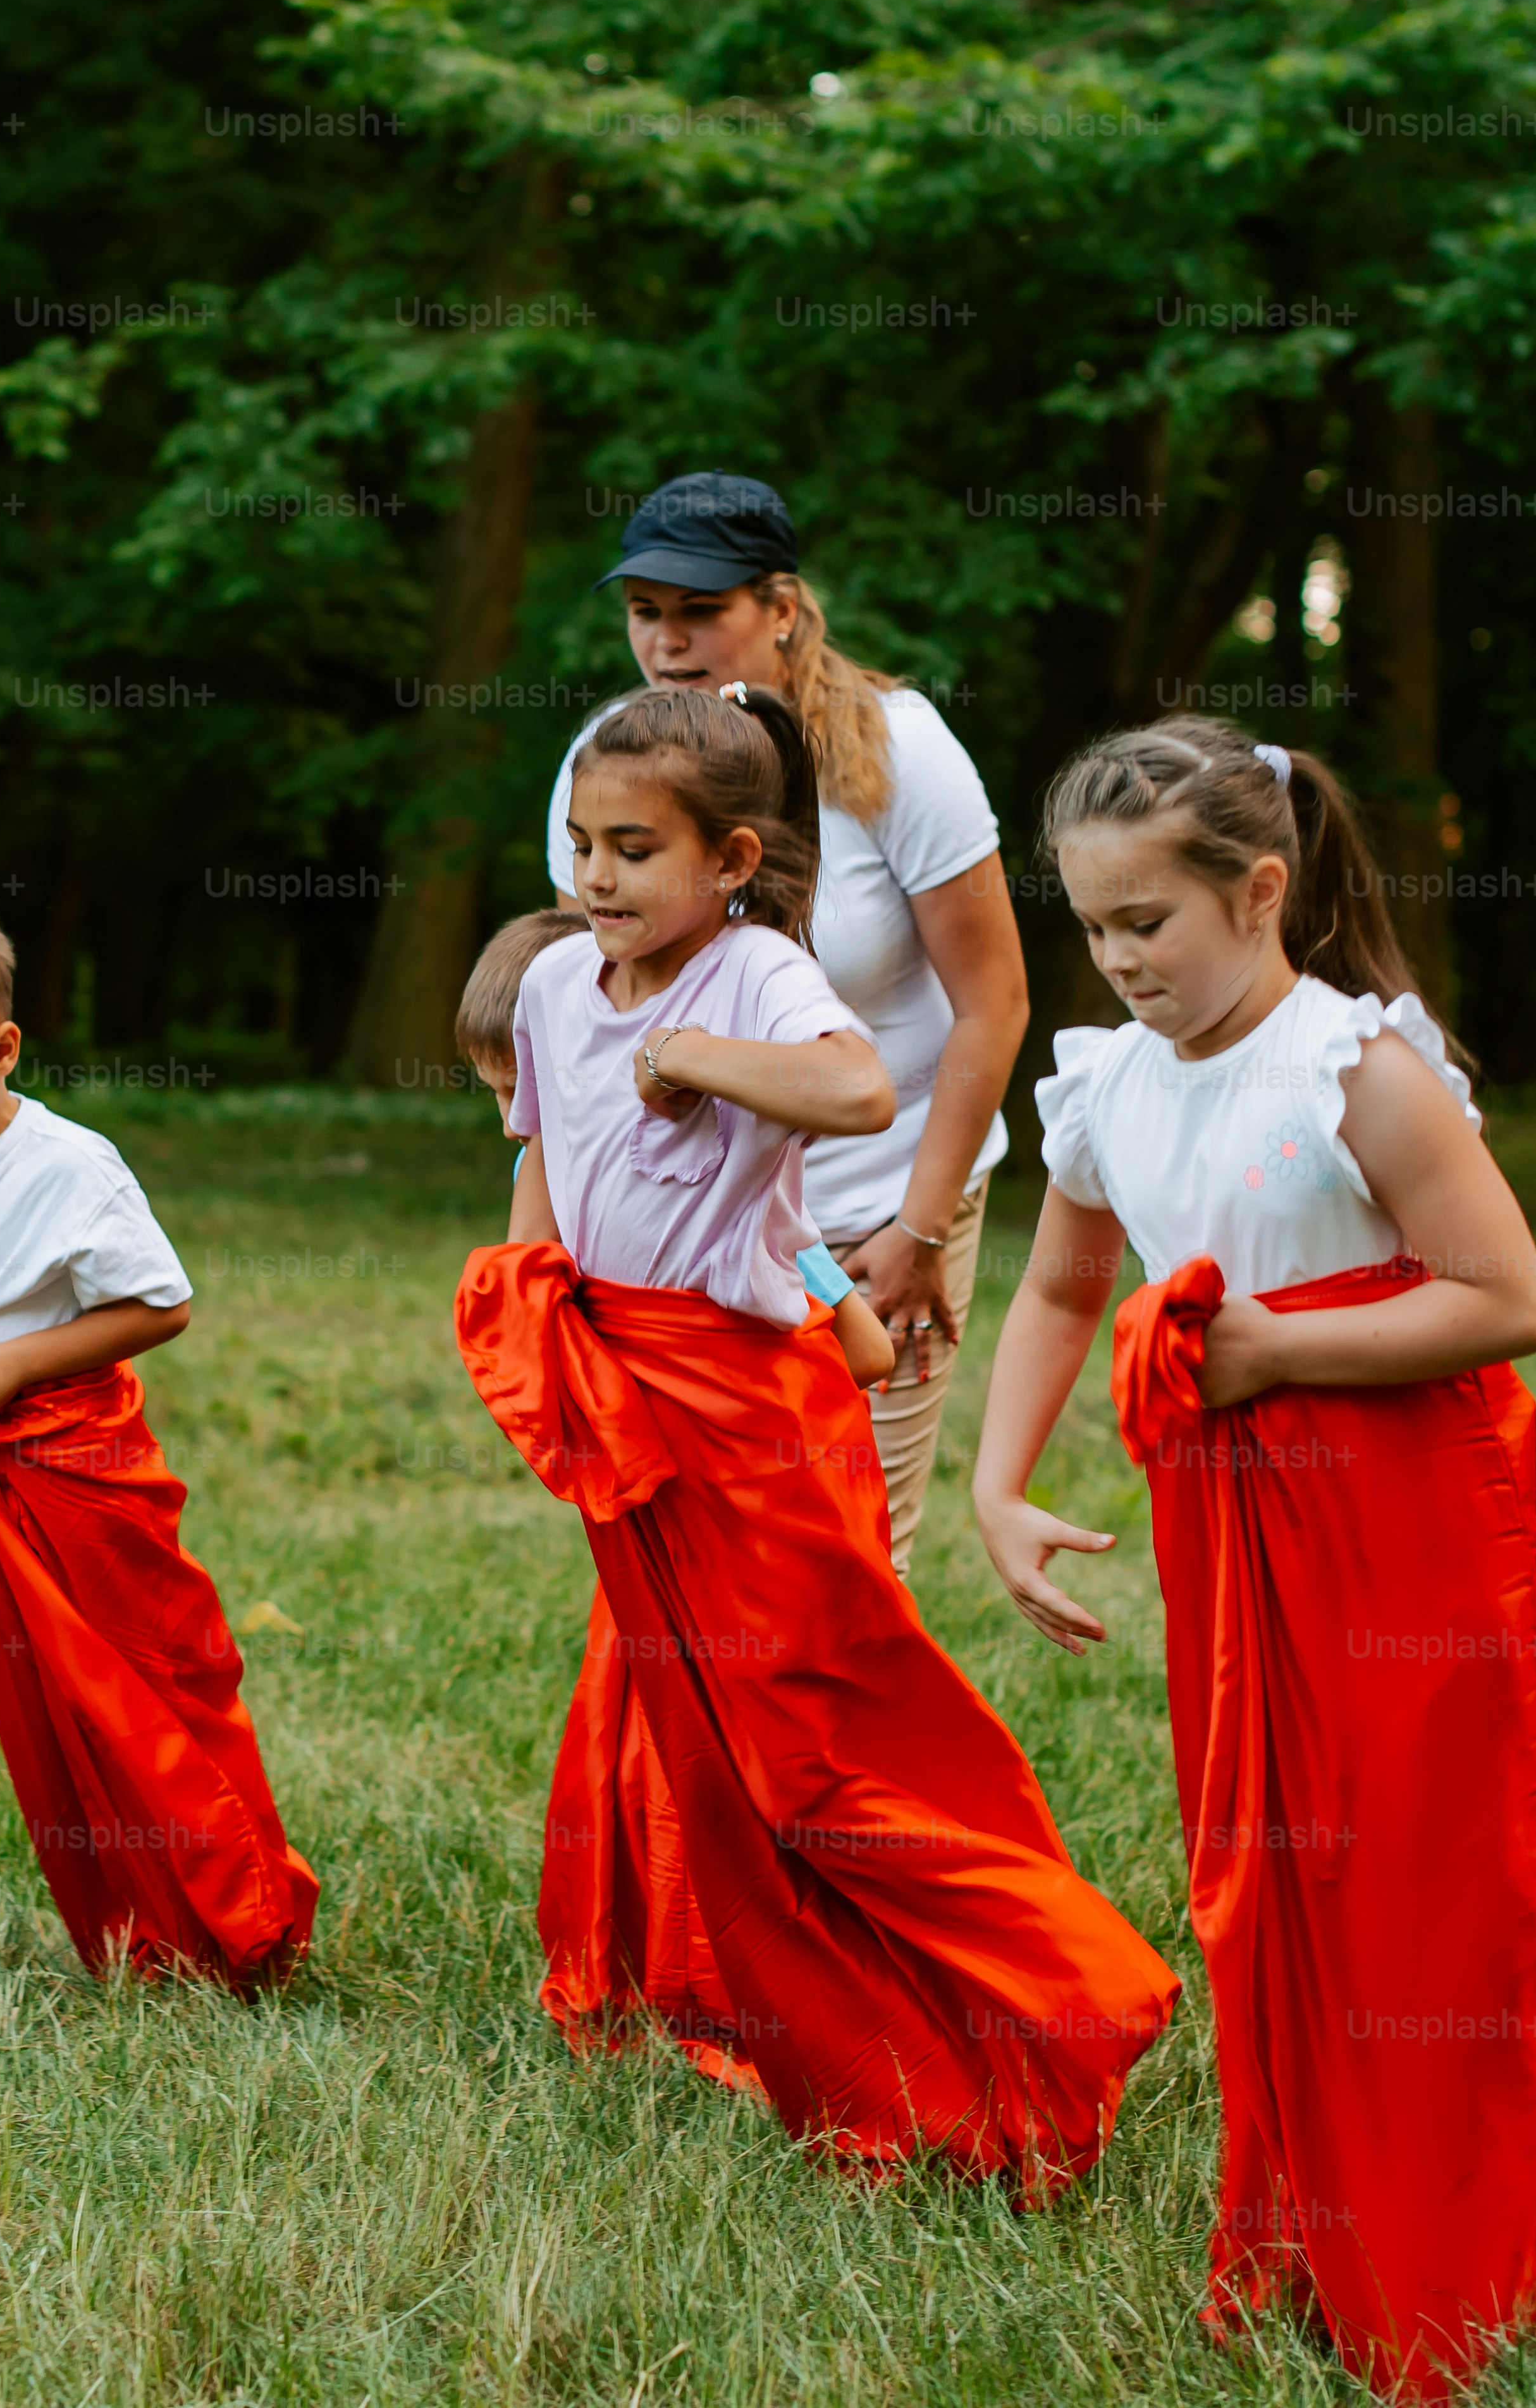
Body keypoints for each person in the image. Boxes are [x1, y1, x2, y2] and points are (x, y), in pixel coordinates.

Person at [965, 722, 1536, 2397]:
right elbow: (1058, 1289)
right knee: (1266, 1871)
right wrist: (999, 1486)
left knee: (1420, 1876)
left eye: (1152, 926)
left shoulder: (1357, 1068)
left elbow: (1506, 1299)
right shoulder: (1107, 1083)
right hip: (1229, 1523)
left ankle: (1468, 2245)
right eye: (1097, 929)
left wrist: (1273, 1354)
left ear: (1262, 892)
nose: (1121, 963)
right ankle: (1304, 2213)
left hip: (1400, 1517)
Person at [460, 684, 1177, 2184]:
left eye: (634, 850)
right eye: (584, 846)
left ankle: (1056, 1989)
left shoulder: (754, 976)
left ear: (727, 858)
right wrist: (526, 1321)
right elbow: (545, 1168)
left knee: (809, 1737)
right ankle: (735, 1985)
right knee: (677, 1720)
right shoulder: (547, 986)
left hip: (748, 1409)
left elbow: (856, 1090)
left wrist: (694, 1057)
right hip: (618, 1384)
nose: (597, 878)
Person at [0, 902, 317, 1990]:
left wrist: (13, 1366)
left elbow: (161, 1304)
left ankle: (239, 1918)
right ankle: (126, 1929)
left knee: (149, 1680)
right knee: (48, 1704)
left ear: (1, 1049)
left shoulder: (68, 1167)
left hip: (79, 1464)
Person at [550, 472, 1027, 1575]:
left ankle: (857, 1753)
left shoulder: (898, 750)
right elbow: (596, 1018)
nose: (667, 642)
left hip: (882, 1211)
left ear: (781, 606)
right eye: (643, 612)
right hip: (696, 1234)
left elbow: (993, 1000)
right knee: (700, 1552)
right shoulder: (609, 764)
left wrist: (916, 1232)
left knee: (854, 1558)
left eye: (700, 610)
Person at [462, 903, 894, 1388]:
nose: (511, 1123)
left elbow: (868, 1352)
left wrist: (741, 1402)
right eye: (497, 1091)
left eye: (522, 1089)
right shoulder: (536, 1171)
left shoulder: (724, 1193)